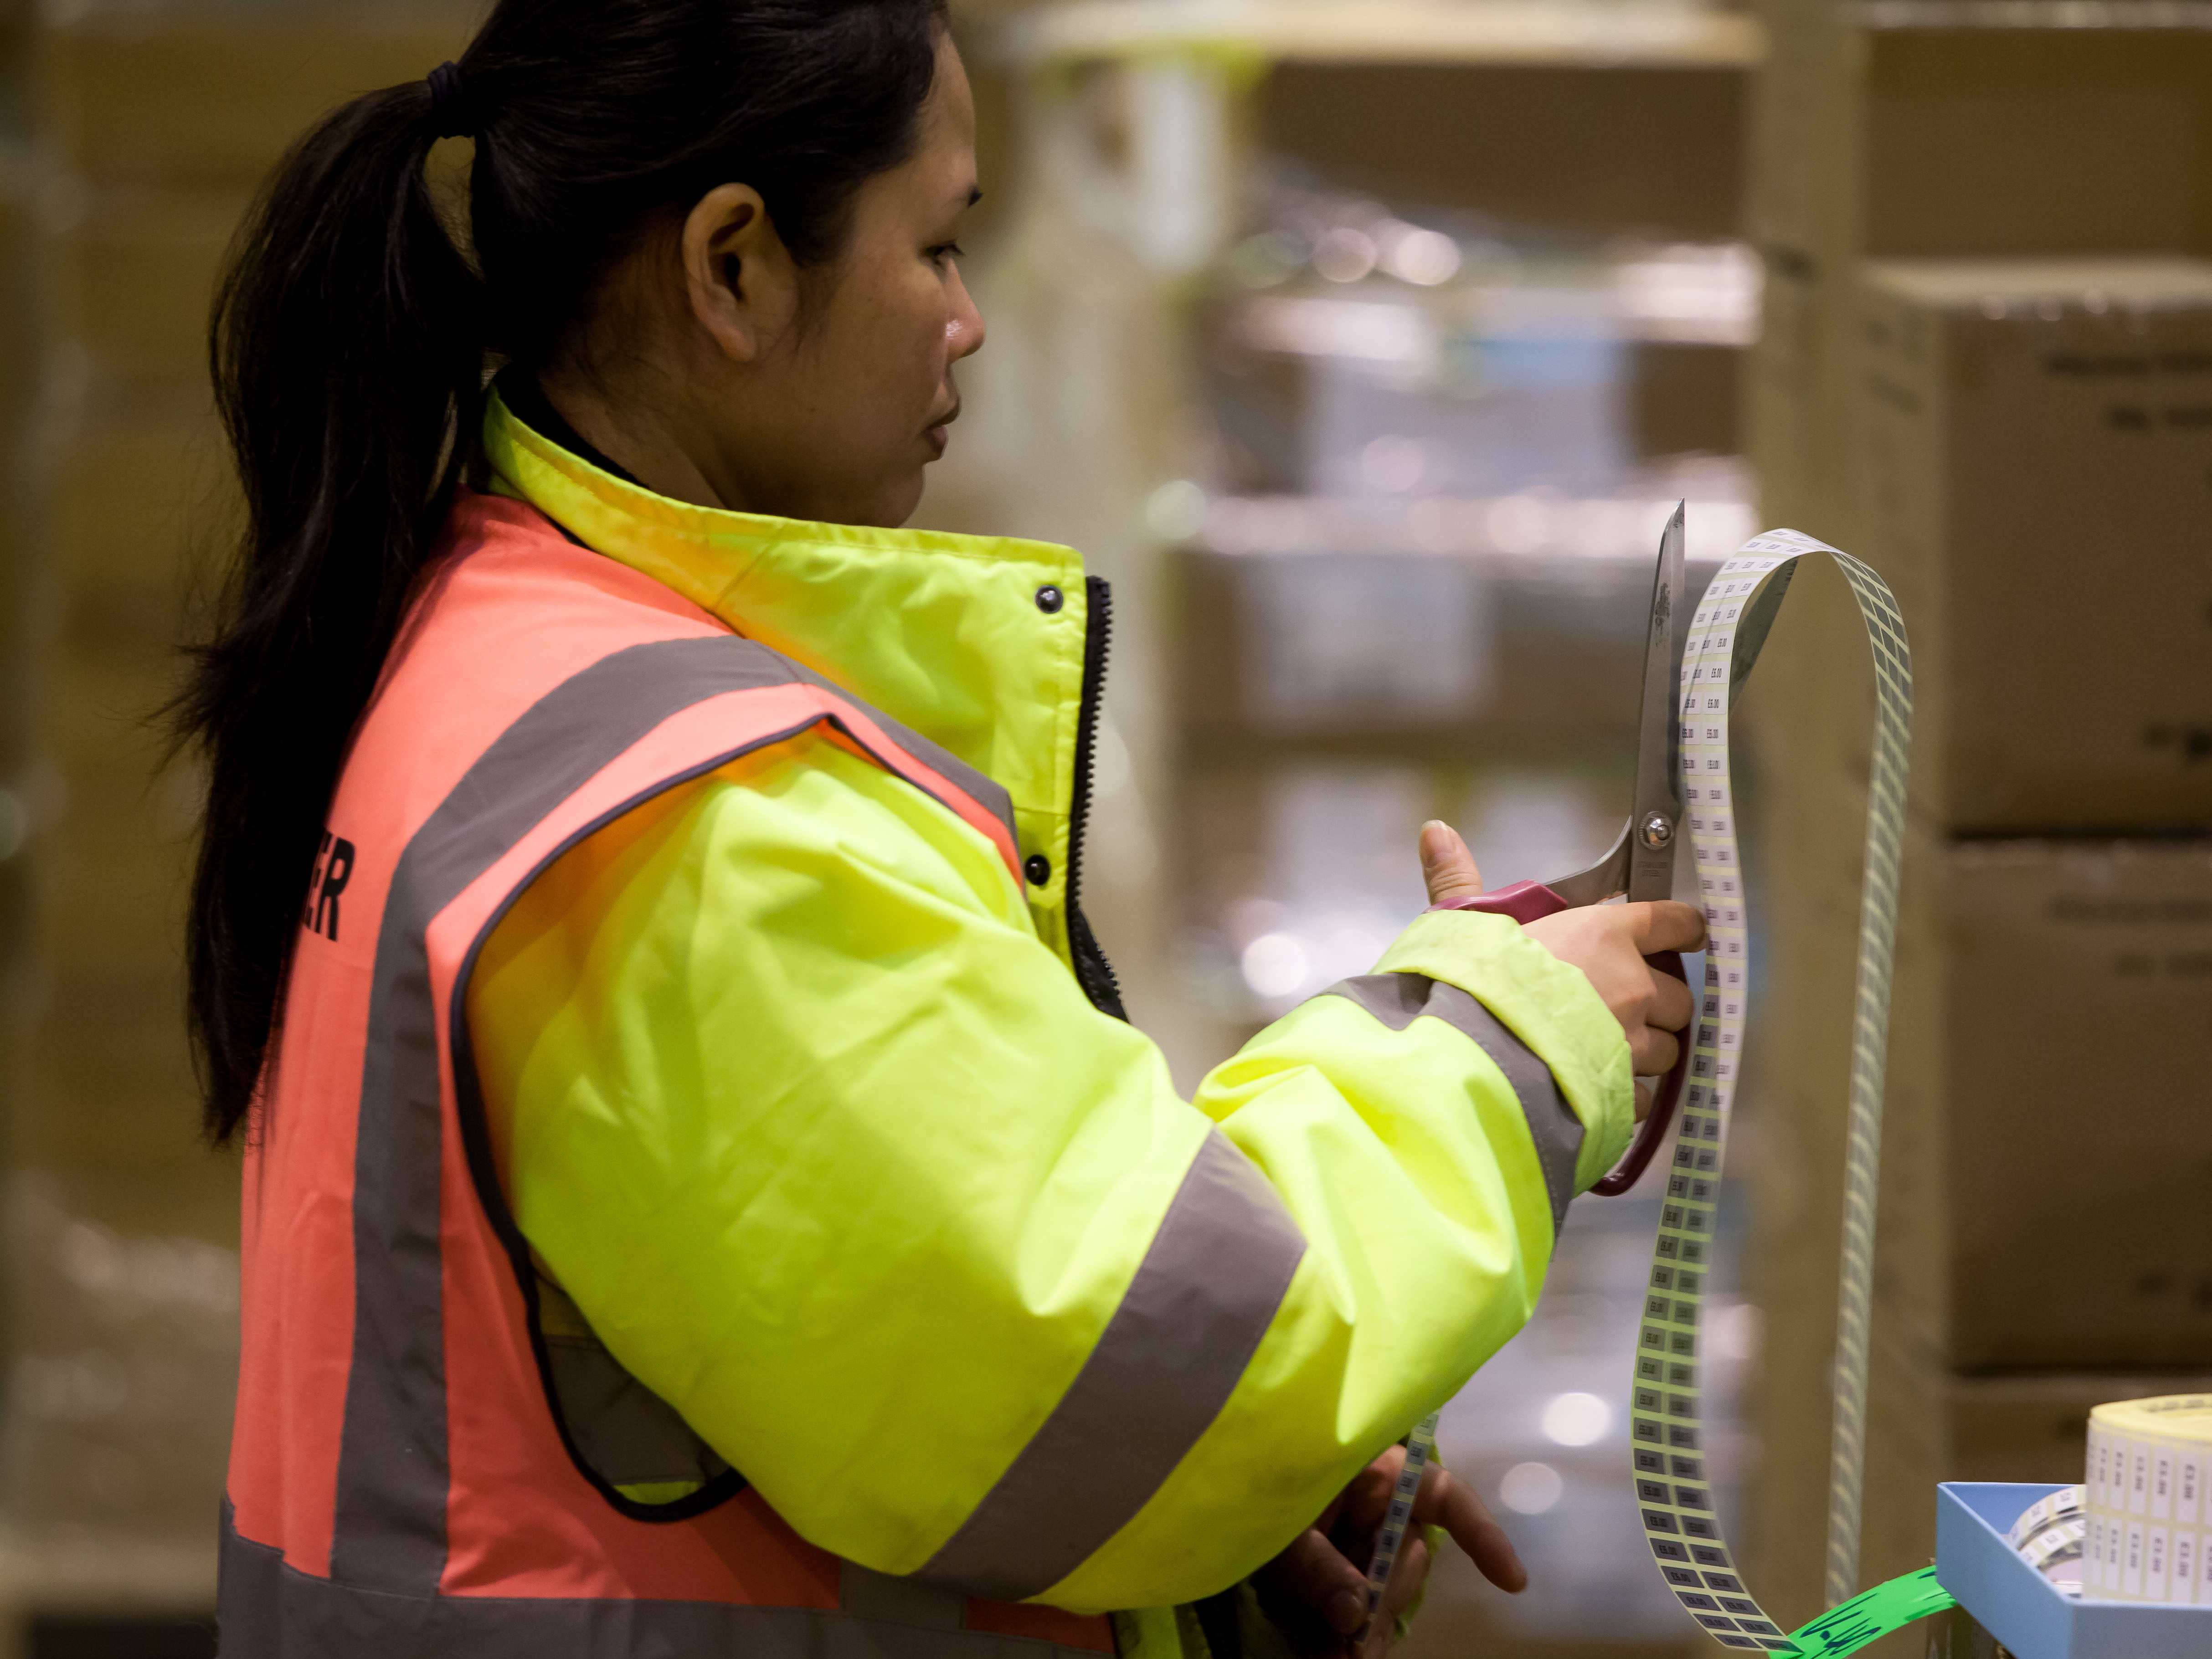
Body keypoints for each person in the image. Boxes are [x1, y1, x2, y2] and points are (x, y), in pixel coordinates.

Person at [175, 1, 1704, 1654]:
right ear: (734, 267)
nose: (968, 323)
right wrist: (1507, 1042)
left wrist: (1199, 1528)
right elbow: (1116, 1364)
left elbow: (816, 1355)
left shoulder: (492, 642)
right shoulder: (706, 829)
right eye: (938, 245)